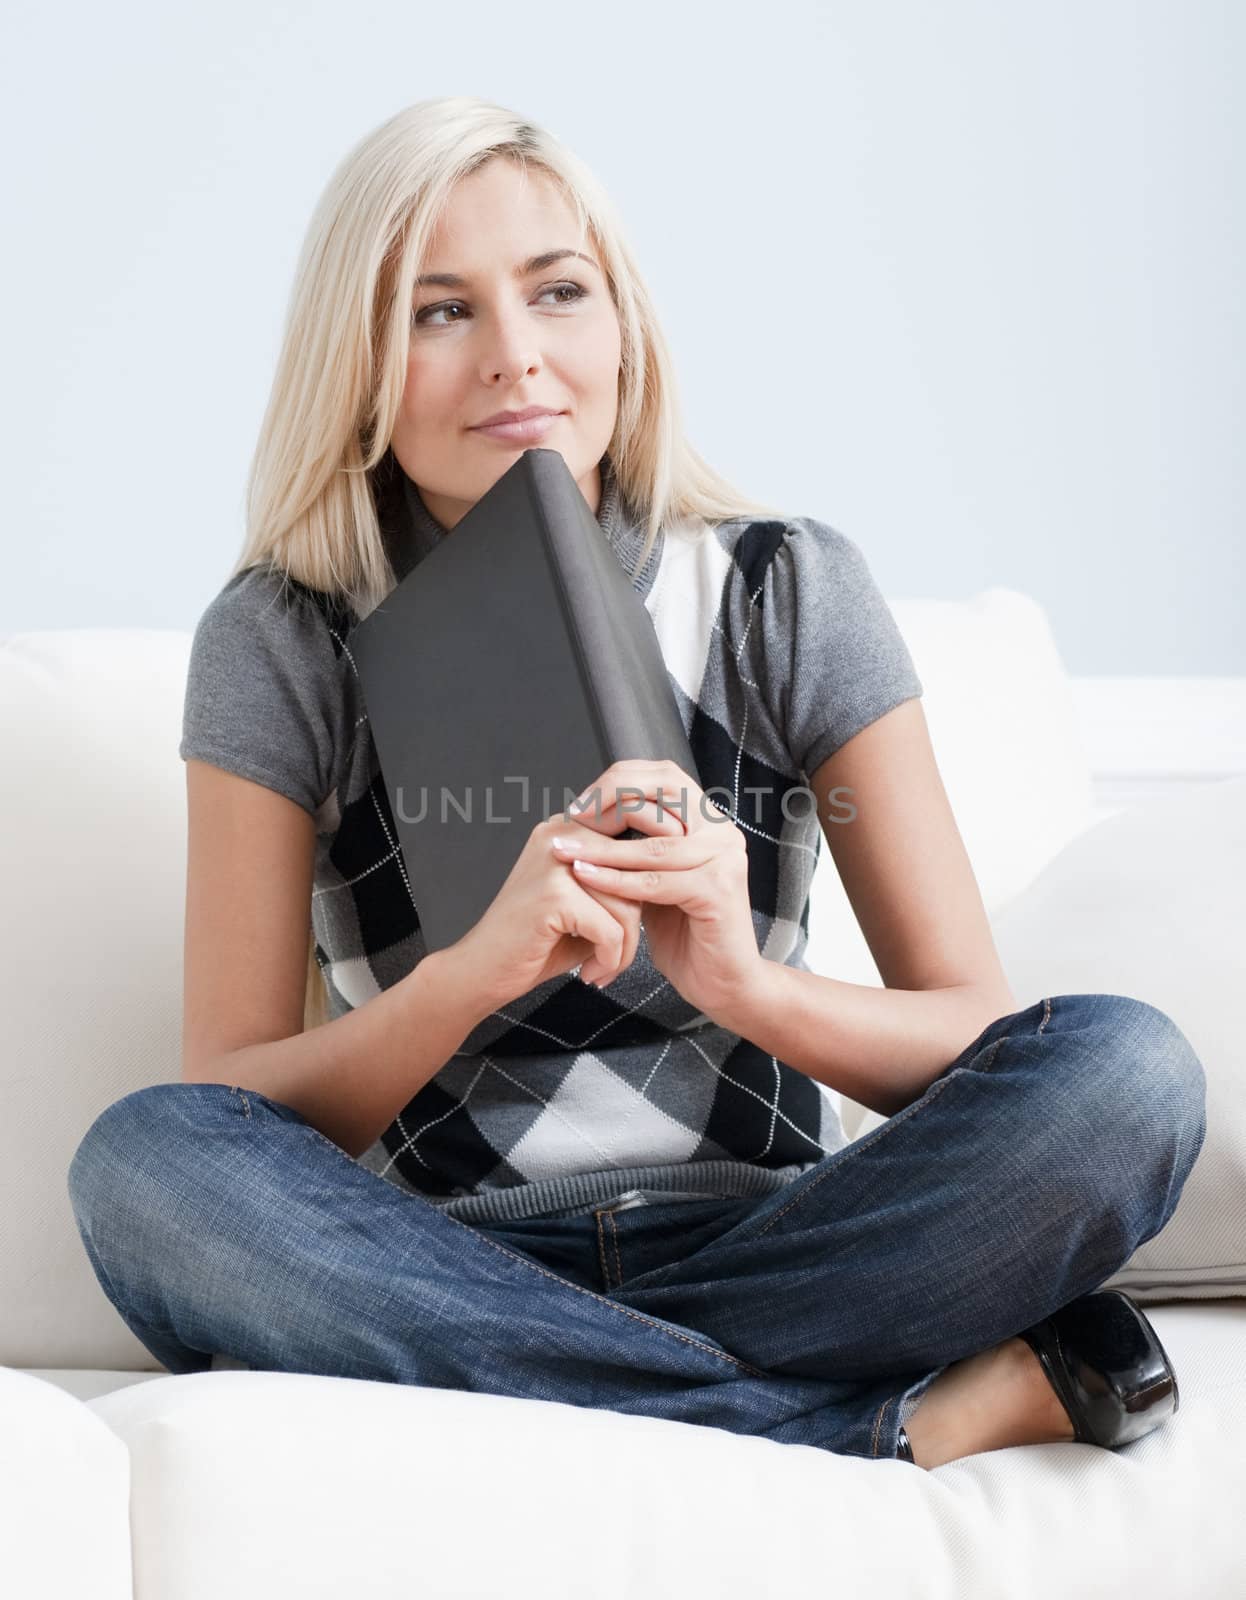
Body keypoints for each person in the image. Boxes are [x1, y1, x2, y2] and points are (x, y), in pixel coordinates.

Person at [65, 96, 1207, 1470]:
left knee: (1126, 1074)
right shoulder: (281, 637)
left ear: (624, 328)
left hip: (787, 1243)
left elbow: (968, 1029)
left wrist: (745, 986)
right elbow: (232, 1101)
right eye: (440, 312)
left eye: (558, 293)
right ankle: (852, 1428)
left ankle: (574, 1390)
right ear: (356, 359)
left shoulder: (782, 587)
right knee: (145, 1169)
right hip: (445, 1257)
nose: (517, 358)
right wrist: (472, 975)